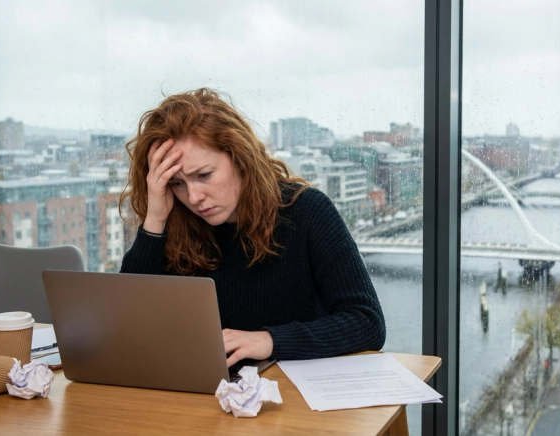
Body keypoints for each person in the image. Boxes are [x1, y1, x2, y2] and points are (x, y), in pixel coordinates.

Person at [119, 88, 385, 367]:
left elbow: (367, 323)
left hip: (292, 399)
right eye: (177, 183)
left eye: (204, 175)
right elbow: (127, 329)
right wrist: (155, 221)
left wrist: (268, 341)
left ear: (240, 158)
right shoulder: (176, 221)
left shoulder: (306, 211)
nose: (194, 197)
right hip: (206, 397)